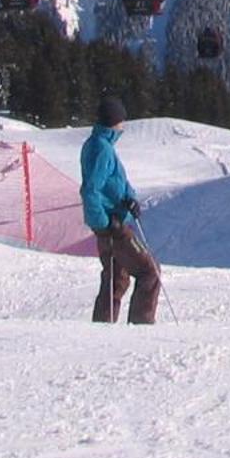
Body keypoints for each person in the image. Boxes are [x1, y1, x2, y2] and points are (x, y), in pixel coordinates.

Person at [80, 96, 161, 324]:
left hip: (112, 220)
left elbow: (114, 182)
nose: (123, 126)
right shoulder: (102, 149)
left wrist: (129, 198)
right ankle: (141, 325)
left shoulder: (99, 144)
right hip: (112, 226)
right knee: (149, 271)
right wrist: (104, 224)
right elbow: (90, 189)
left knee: (116, 277)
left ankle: (103, 328)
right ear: (115, 121)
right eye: (122, 121)